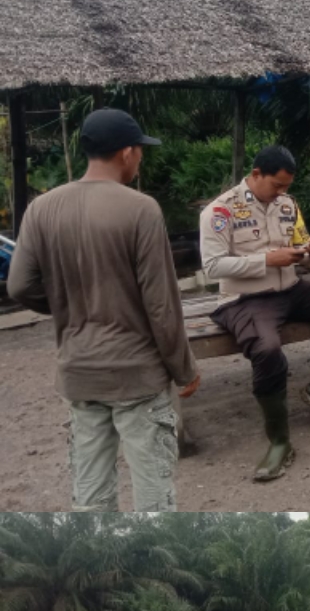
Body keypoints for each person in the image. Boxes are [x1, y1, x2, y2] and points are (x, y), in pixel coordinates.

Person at [7, 108, 200, 512]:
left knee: (90, 494)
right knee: (153, 495)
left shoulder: (42, 209)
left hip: (79, 372)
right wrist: (185, 369)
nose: (140, 159)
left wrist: (65, 305)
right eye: (140, 151)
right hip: (137, 375)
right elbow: (161, 306)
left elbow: (20, 285)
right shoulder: (141, 209)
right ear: (127, 152)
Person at [200, 145, 310, 482]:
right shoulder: (220, 211)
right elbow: (211, 267)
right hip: (246, 298)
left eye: (287, 186)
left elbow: (301, 250)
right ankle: (280, 442)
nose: (283, 192)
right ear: (255, 175)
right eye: (277, 185)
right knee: (266, 349)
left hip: (292, 288)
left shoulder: (287, 205)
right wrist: (267, 260)